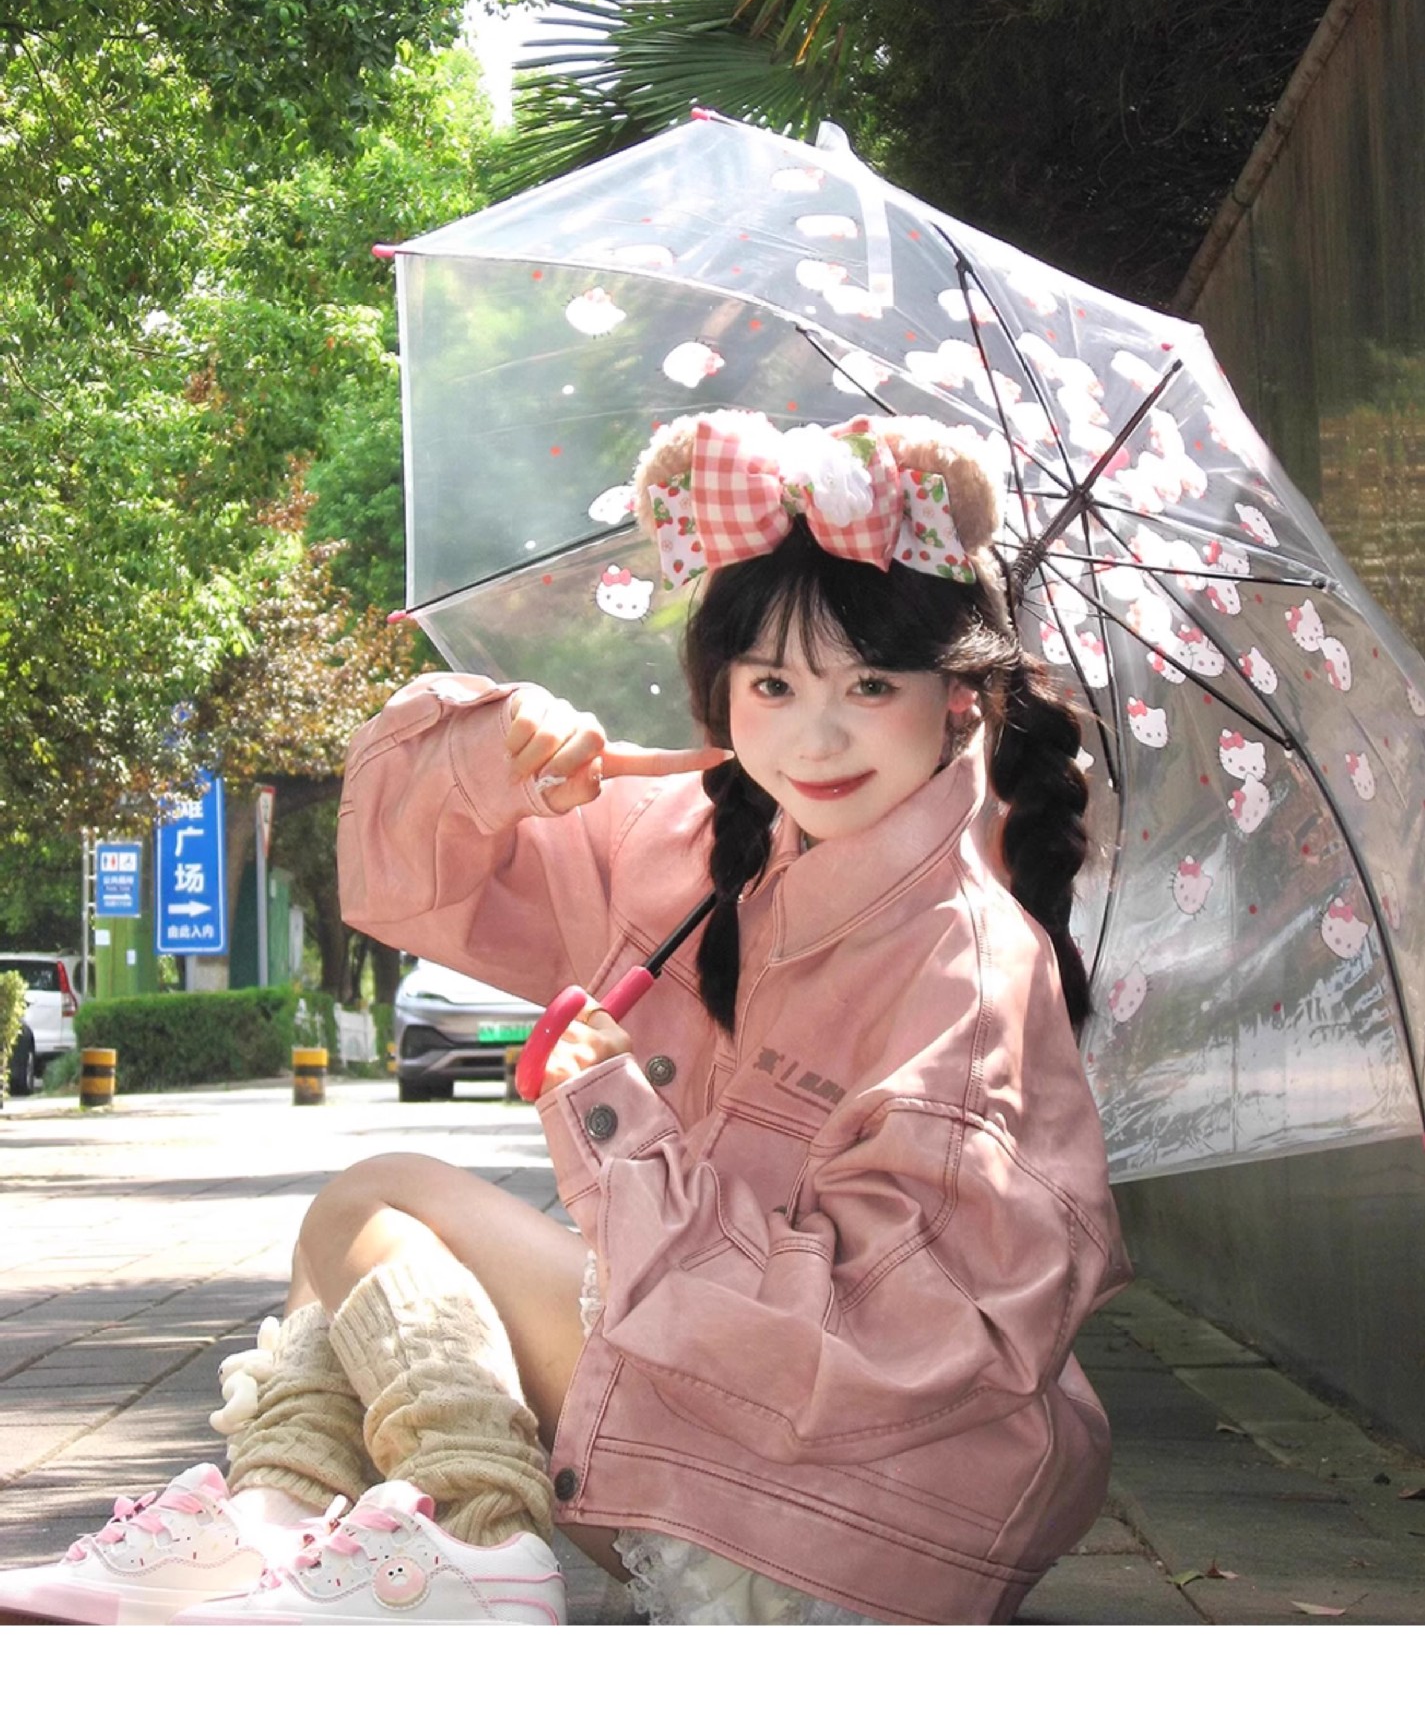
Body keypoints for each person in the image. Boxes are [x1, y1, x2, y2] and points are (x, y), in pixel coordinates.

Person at [0, 409, 1130, 1626]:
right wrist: (494, 758)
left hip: (845, 1527)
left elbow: (886, 1351)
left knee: (374, 1200)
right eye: (773, 684)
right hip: (747, 1451)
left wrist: (616, 1123)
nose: (817, 734)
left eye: (869, 685)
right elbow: (409, 889)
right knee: (371, 1264)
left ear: (957, 700)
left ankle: (477, 1542)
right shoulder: (706, 853)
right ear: (722, 690)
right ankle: (263, 1525)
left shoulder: (968, 967)